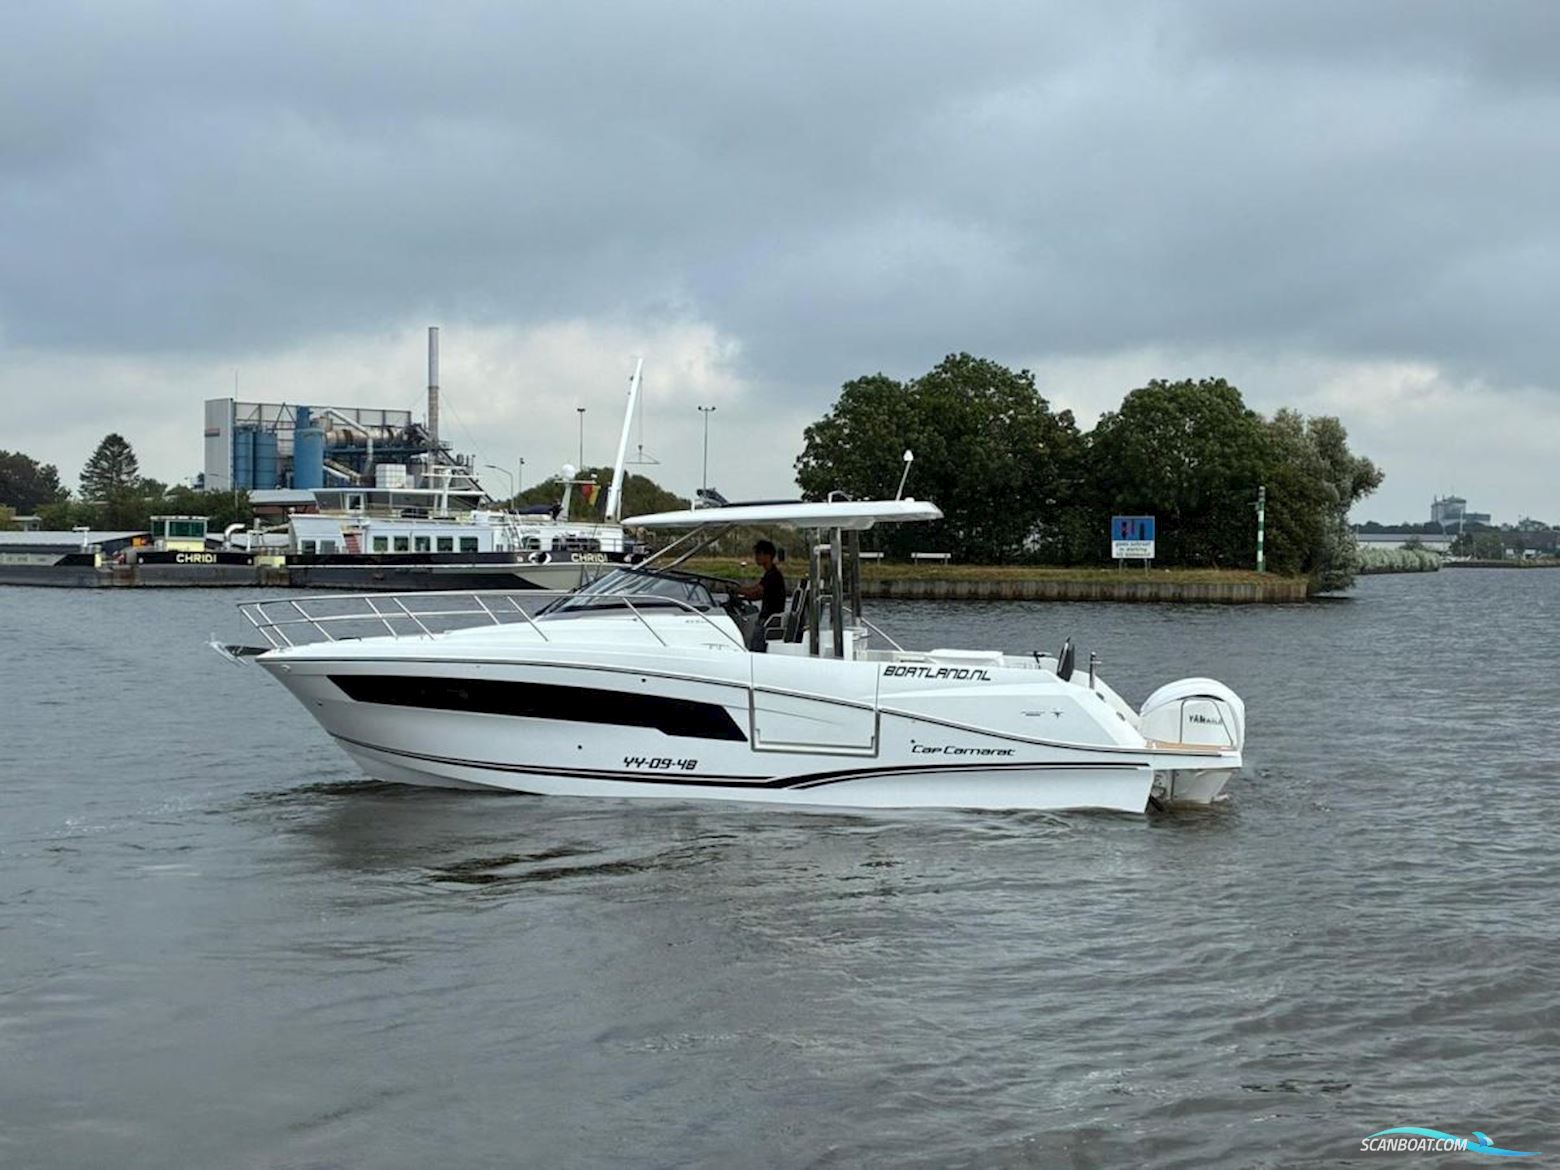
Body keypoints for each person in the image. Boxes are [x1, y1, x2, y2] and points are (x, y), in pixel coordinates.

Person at [738, 539, 786, 650]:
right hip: (766, 619)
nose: (756, 557)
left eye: (758, 554)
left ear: (767, 556)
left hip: (767, 620)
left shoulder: (773, 575)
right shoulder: (770, 574)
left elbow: (755, 591)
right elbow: (759, 595)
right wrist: (743, 597)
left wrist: (737, 590)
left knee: (755, 650)